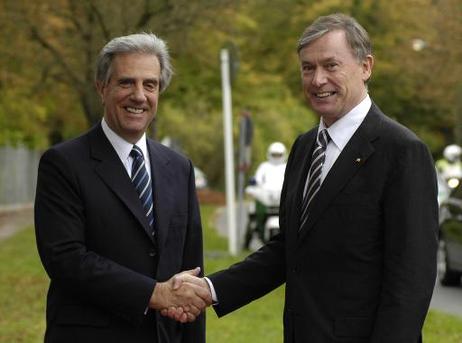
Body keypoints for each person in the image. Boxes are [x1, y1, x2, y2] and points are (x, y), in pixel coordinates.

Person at [167, 13, 439, 342]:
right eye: (308, 68)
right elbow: (290, 249)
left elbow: (410, 280)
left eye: (331, 65)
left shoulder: (402, 151)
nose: (317, 79)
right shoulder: (305, 146)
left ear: (366, 67)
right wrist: (211, 289)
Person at [34, 33, 211, 343]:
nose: (139, 96)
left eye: (150, 85)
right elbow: (66, 259)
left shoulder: (179, 167)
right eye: (127, 83)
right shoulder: (63, 164)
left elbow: (191, 270)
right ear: (102, 88)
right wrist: (154, 294)